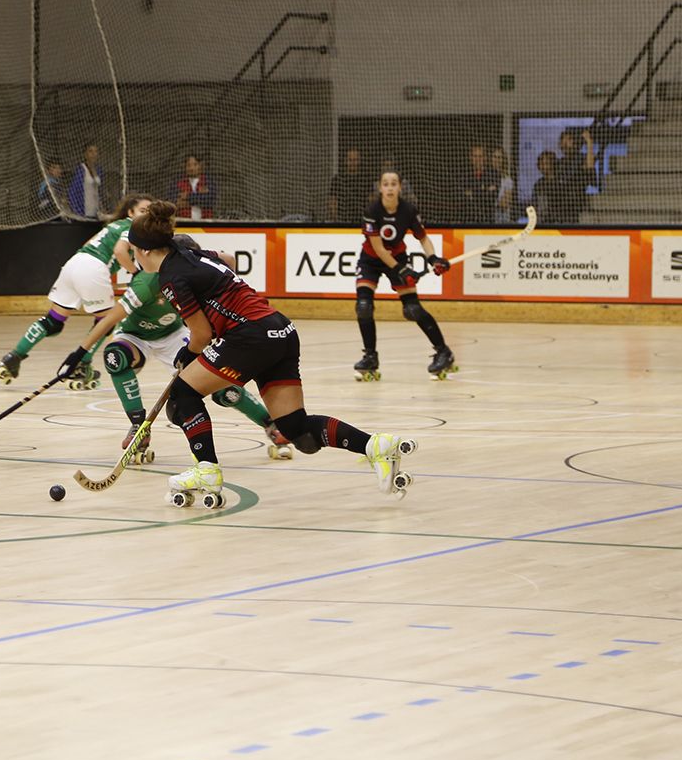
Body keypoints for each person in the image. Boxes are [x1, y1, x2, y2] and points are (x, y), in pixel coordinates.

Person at [61, 200, 416, 505]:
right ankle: (377, 446)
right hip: (281, 330)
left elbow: (201, 334)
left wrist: (187, 357)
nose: (133, 258)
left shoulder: (171, 276)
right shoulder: (189, 252)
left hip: (250, 337)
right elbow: (228, 260)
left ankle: (206, 471)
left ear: (144, 251)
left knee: (183, 397)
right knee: (295, 428)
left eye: (133, 251)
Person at [59, 235, 296, 466]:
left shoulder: (194, 268)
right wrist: (80, 354)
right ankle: (138, 426)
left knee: (221, 387)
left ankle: (269, 423)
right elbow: (109, 320)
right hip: (135, 335)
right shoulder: (148, 282)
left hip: (173, 335)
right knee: (115, 357)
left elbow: (229, 259)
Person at [0, 194, 151, 387]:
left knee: (53, 321)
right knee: (106, 322)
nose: (147, 215)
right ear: (130, 212)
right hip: (93, 268)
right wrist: (135, 274)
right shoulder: (132, 227)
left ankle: (13, 357)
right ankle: (82, 365)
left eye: (150, 212)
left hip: (75, 263)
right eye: (143, 211)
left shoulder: (112, 226)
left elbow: (87, 246)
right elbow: (119, 251)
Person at [352, 170, 455, 380]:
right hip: (371, 260)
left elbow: (423, 238)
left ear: (400, 187)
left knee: (412, 309)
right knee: (363, 306)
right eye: (386, 184)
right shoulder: (372, 211)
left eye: (394, 184)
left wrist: (433, 259)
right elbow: (379, 249)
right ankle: (370, 356)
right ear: (380, 188)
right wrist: (401, 269)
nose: (390, 187)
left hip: (397, 257)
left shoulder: (408, 210)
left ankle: (443, 351)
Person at [460, 145, 500, 225]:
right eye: (475, 156)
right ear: (470, 158)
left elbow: (492, 197)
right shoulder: (464, 175)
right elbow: (463, 197)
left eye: (480, 156)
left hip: (488, 220)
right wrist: (485, 190)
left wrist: (472, 193)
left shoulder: (493, 174)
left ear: (485, 158)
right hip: (468, 220)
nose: (477, 159)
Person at [326, 147, 366, 224]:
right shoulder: (338, 179)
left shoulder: (364, 179)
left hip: (361, 220)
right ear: (345, 161)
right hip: (342, 220)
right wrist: (334, 219)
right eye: (350, 160)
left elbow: (371, 201)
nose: (352, 163)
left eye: (355, 160)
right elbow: (332, 200)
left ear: (359, 161)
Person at [172, 155, 217, 220]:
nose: (191, 168)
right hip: (184, 221)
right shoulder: (178, 183)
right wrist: (200, 197)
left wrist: (187, 196)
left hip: (205, 222)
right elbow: (174, 203)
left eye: (195, 165)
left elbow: (210, 201)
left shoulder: (208, 182)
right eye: (188, 165)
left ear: (200, 166)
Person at [70, 144, 104, 218]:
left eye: (96, 151)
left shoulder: (99, 170)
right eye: (90, 151)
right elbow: (72, 192)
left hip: (96, 211)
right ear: (85, 154)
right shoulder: (81, 170)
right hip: (85, 211)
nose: (93, 154)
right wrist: (78, 211)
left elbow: (100, 190)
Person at [491, 147, 518, 224]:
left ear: (503, 160)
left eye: (499, 157)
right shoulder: (487, 177)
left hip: (501, 218)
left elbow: (505, 203)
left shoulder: (507, 180)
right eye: (494, 157)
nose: (496, 160)